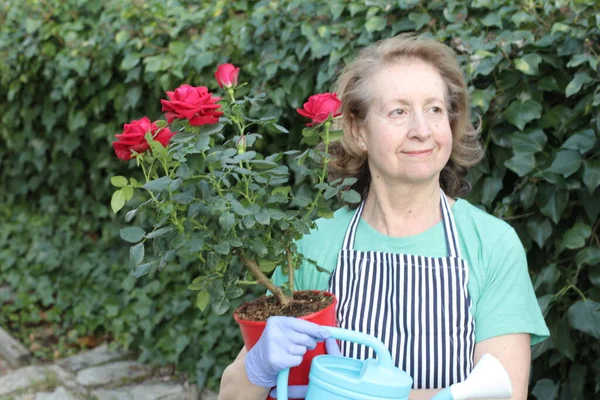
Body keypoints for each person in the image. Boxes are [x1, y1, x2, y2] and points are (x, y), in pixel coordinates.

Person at [218, 33, 549, 400]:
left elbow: (504, 393)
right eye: (399, 111)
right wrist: (258, 369)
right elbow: (233, 395)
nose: (422, 130)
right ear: (359, 131)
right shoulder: (314, 243)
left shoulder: (491, 245)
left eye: (435, 110)